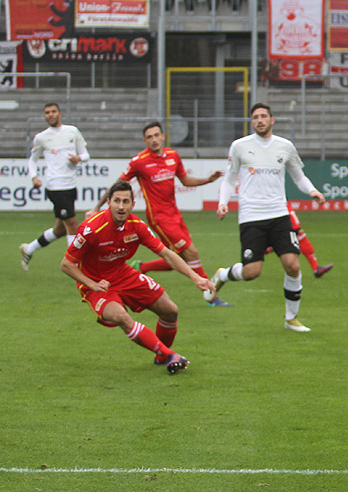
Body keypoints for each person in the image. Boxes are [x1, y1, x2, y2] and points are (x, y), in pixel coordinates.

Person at [61, 180, 214, 374]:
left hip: (122, 273)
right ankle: (169, 355)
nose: (121, 206)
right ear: (109, 203)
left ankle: (162, 357)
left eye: (126, 201)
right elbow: (66, 264)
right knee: (121, 317)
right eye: (117, 201)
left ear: (132, 204)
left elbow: (167, 254)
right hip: (96, 283)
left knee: (170, 310)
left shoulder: (137, 226)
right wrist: (92, 284)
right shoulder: (91, 228)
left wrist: (195, 277)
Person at [87, 121, 233, 307]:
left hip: (175, 214)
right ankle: (210, 295)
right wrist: (96, 207)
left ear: (163, 136)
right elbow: (117, 185)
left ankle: (142, 267)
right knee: (191, 252)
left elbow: (185, 180)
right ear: (145, 141)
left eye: (157, 135)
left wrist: (208, 180)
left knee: (178, 257)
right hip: (159, 218)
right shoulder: (139, 162)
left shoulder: (173, 156)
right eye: (149, 137)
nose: (154, 140)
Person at [209, 102, 327, 332]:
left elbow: (298, 176)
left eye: (263, 116)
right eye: (255, 117)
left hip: (279, 215)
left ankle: (291, 318)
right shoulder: (240, 146)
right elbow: (230, 180)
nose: (259, 120)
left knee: (292, 265)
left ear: (272, 120)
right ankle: (224, 274)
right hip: (251, 217)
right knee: (252, 272)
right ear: (251, 122)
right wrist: (223, 203)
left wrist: (312, 190)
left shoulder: (285, 146)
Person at [19, 102, 90, 270]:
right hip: (55, 187)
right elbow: (33, 160)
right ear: (45, 116)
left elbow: (86, 154)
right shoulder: (41, 137)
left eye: (53, 111)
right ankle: (74, 264)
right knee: (72, 224)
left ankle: (29, 249)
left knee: (60, 230)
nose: (50, 114)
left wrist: (79, 159)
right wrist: (34, 176)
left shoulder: (72, 131)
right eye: (47, 112)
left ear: (59, 114)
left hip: (70, 186)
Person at [264, 203, 334, 278]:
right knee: (297, 236)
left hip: (281, 207)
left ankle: (316, 267)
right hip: (277, 209)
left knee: (296, 238)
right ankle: (255, 256)